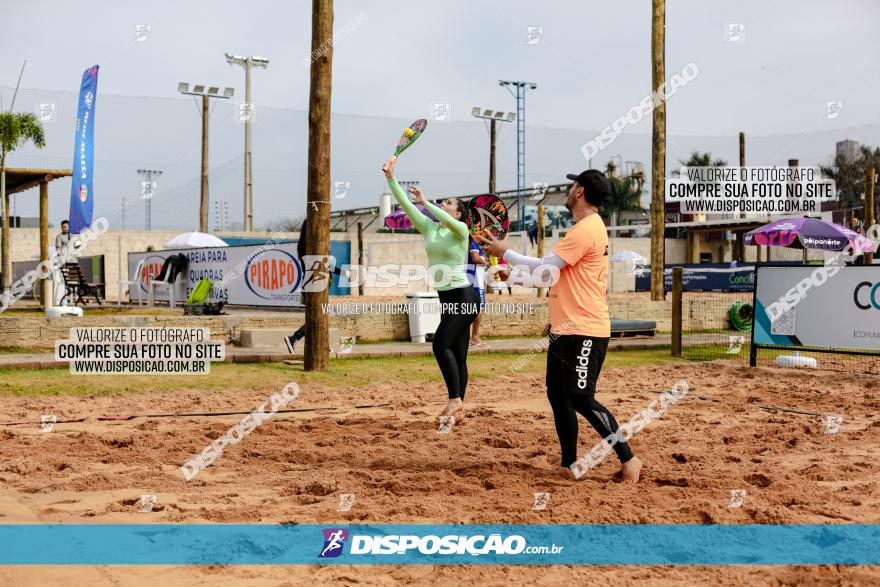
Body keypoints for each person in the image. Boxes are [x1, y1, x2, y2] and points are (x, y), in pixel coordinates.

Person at [479, 169, 642, 483]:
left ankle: (629, 459)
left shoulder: (586, 229)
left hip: (585, 329)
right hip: (566, 329)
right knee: (558, 395)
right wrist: (510, 275)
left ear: (579, 191)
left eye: (572, 185)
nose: (568, 190)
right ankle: (569, 464)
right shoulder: (585, 229)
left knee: (581, 397)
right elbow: (552, 276)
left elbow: (546, 266)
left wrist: (505, 253)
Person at [382, 155, 478, 419]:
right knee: (458, 355)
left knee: (440, 345)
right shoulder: (431, 229)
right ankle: (458, 408)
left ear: (458, 213)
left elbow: (449, 220)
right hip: (447, 298)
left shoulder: (460, 230)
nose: (442, 204)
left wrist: (426, 202)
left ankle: (454, 400)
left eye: (448, 203)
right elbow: (405, 204)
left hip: (464, 296)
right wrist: (391, 178)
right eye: (442, 202)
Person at [467, 237, 488, 347]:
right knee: (479, 307)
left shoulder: (470, 241)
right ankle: (474, 337)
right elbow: (475, 258)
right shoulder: (473, 242)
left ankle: (470, 337)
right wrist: (487, 262)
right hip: (476, 281)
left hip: (472, 279)